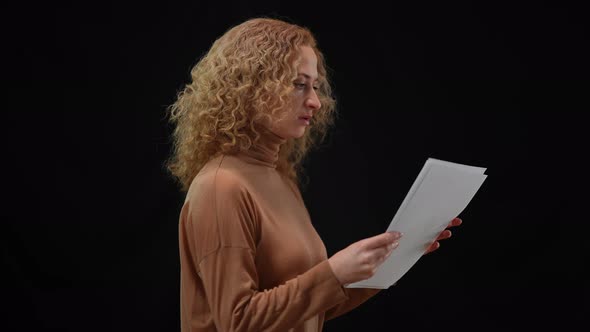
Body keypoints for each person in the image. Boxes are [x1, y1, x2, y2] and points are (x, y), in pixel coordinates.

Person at [166, 17, 462, 332]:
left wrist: (394, 256)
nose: (315, 101)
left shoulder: (280, 179)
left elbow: (310, 306)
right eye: (298, 84)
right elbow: (238, 321)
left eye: (315, 86)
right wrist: (333, 272)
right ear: (251, 86)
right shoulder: (220, 186)